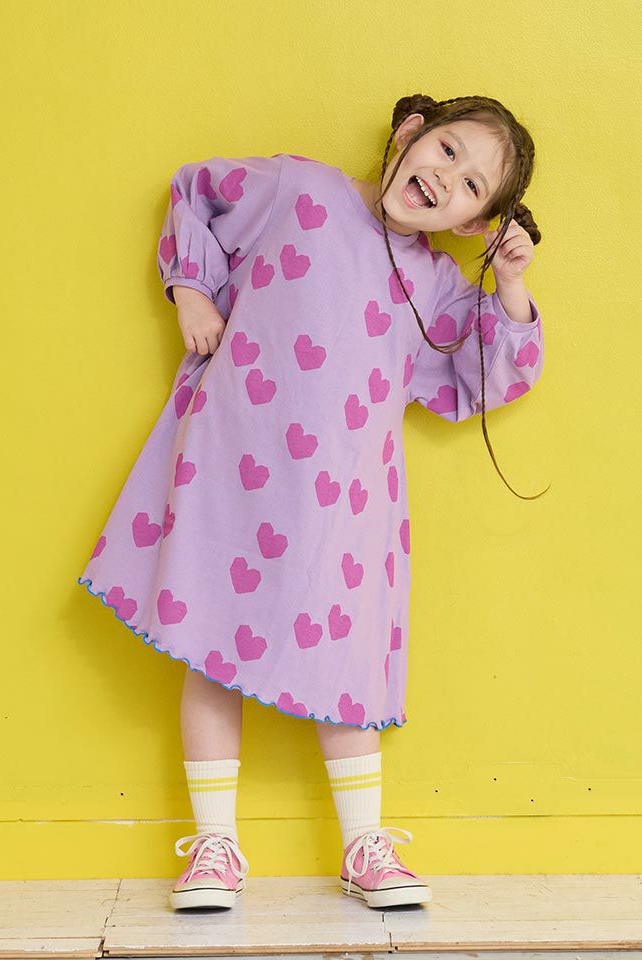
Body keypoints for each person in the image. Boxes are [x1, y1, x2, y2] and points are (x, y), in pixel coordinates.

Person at [77, 93, 545, 912]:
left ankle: (364, 844)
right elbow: (198, 190)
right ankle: (215, 845)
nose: (446, 179)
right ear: (410, 134)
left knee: (345, 663)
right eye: (446, 152)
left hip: (345, 506)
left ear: (476, 223)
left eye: (472, 185)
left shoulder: (437, 285)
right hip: (233, 466)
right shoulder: (301, 190)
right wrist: (192, 290)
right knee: (209, 647)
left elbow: (486, 375)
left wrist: (509, 283)